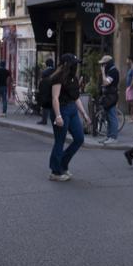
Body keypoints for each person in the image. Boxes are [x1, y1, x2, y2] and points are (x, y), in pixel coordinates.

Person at [48, 54, 89, 182]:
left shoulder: (74, 78)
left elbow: (76, 97)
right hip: (61, 110)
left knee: (79, 138)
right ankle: (55, 172)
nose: (75, 66)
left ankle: (62, 164)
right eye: (74, 64)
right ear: (67, 65)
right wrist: (58, 116)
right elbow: (55, 98)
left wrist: (84, 114)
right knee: (60, 140)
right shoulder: (58, 77)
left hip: (71, 109)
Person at [98, 55, 120, 144]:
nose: (102, 66)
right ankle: (108, 136)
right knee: (108, 117)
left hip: (111, 96)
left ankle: (113, 137)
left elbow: (106, 82)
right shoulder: (111, 71)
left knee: (112, 116)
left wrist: (103, 72)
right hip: (108, 96)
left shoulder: (113, 71)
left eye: (103, 64)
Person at [36, 58, 56, 124]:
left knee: (45, 106)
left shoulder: (44, 72)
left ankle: (44, 120)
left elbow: (41, 82)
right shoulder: (55, 71)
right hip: (54, 89)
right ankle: (55, 119)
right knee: (54, 104)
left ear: (47, 64)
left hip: (46, 91)